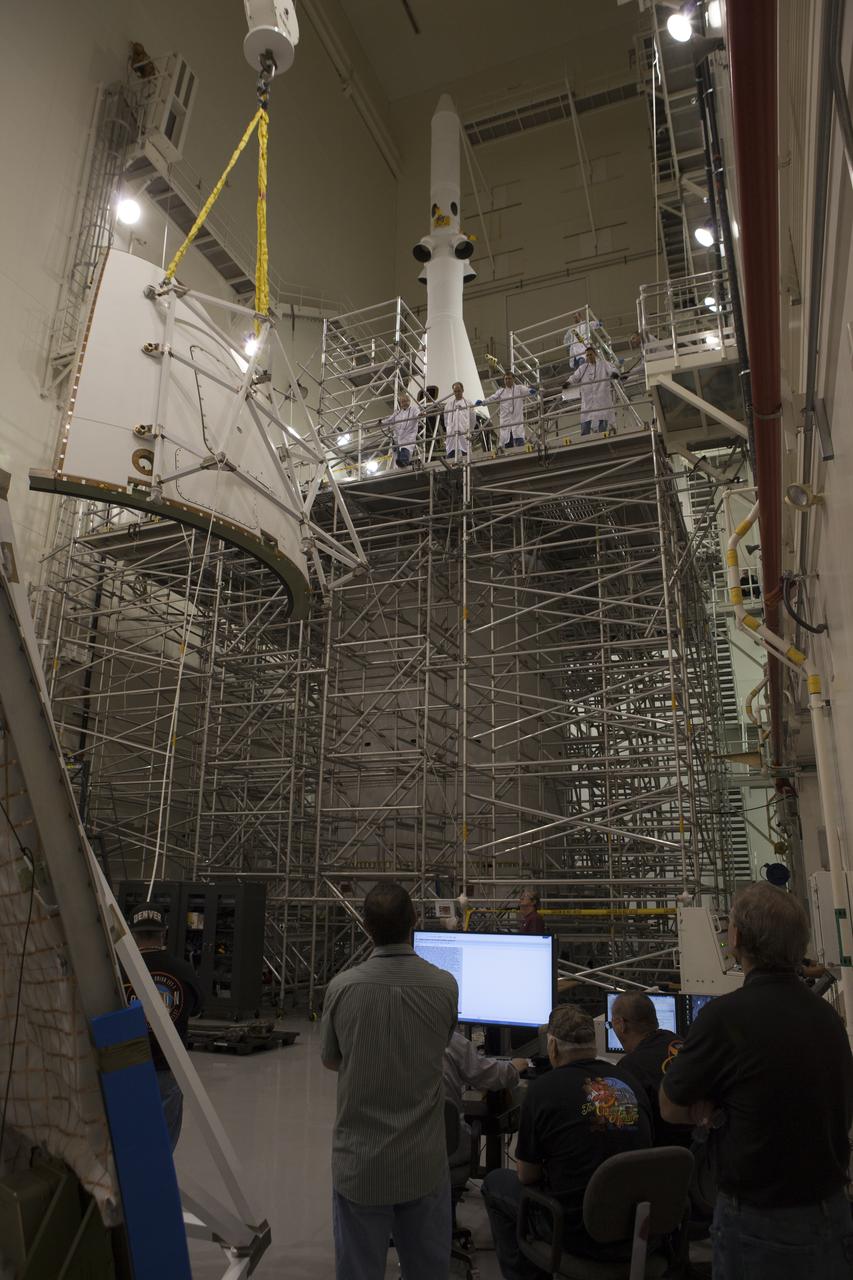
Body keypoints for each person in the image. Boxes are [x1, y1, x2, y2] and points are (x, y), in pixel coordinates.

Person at [660, 882, 853, 1279]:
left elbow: (670, 1104)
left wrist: (713, 1109)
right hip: (832, 1211)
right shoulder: (827, 1017)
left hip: (760, 1219)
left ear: (736, 937)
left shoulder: (726, 1017)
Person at [321, 882, 458, 1280]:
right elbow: (442, 1045)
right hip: (423, 1162)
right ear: (415, 921)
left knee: (359, 1270)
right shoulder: (445, 986)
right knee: (428, 1271)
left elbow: (332, 1061)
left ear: (365, 927)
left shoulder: (342, 989)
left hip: (361, 1163)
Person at [482, 1005, 652, 1279]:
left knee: (495, 1183)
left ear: (553, 1047)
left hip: (575, 1232)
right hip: (637, 1229)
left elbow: (526, 1175)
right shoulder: (629, 1080)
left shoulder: (543, 1091)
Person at [123, 906, 201, 1151]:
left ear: (133, 935)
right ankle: (159, 1186)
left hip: (129, 1066)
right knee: (163, 1145)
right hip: (169, 1067)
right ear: (164, 933)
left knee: (130, 1141)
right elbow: (197, 1009)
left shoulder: (121, 969)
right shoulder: (183, 970)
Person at [610, 992, 689, 1146]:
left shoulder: (629, 1067)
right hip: (701, 1151)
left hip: (664, 1156)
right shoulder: (680, 1042)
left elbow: (622, 1128)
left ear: (621, 1025)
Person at [443, 1030, 526, 1165]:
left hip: (400, 1158)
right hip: (448, 1154)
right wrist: (513, 1069)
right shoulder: (447, 1039)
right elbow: (487, 1075)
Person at [563, 345, 620, 436]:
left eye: (590, 354)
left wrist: (614, 374)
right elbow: (574, 377)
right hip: (588, 399)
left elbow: (612, 369)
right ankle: (584, 438)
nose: (589, 357)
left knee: (603, 417)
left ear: (595, 354)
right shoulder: (583, 368)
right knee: (586, 418)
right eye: (587, 355)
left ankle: (602, 436)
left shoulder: (603, 364)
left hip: (602, 397)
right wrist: (568, 382)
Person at [477, 371, 537, 449]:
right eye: (506, 379)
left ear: (514, 379)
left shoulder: (519, 389)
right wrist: (483, 402)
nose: (507, 380)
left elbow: (527, 391)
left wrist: (531, 391)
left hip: (517, 422)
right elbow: (492, 398)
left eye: (509, 378)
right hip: (506, 422)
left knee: (519, 443)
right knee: (508, 445)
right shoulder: (501, 392)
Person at [381, 393, 420, 467]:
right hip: (398, 438)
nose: (404, 403)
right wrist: (381, 423)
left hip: (409, 436)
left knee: (405, 450)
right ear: (400, 403)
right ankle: (401, 464)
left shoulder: (414, 409)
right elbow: (389, 420)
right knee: (398, 453)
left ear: (409, 401)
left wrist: (421, 415)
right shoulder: (397, 413)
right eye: (402, 402)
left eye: (406, 401)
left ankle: (404, 462)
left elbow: (417, 414)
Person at [442, 381, 475, 461]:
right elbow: (446, 419)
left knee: (465, 451)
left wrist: (470, 430)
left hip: (464, 431)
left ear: (462, 390)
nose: (457, 393)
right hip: (451, 433)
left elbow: (473, 418)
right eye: (455, 391)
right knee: (451, 452)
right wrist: (449, 429)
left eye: (458, 391)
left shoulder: (468, 403)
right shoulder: (448, 405)